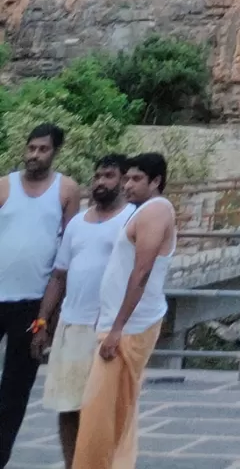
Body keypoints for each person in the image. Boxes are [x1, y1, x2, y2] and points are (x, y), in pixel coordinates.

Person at [72, 152, 175, 469]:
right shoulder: (142, 211)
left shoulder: (156, 211)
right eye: (127, 178)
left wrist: (117, 328)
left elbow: (141, 273)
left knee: (98, 415)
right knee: (118, 411)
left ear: (155, 182)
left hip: (129, 328)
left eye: (136, 179)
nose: (128, 185)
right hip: (121, 324)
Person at [33, 157, 131, 469]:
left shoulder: (133, 220)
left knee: (102, 411)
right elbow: (59, 276)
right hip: (71, 327)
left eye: (109, 176)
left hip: (108, 329)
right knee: (68, 407)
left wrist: (121, 327)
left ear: (123, 180)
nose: (101, 181)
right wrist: (42, 322)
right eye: (98, 175)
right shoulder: (77, 223)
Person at [0, 122, 82, 469]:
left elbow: (68, 252)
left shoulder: (66, 190)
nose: (34, 155)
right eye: (31, 148)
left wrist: (50, 315)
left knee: (15, 393)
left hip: (34, 304)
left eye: (42, 149)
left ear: (55, 152)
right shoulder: (4, 185)